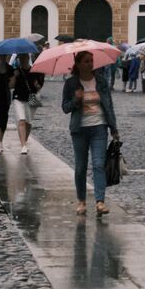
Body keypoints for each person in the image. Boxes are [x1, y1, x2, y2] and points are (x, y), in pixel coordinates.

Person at [60, 50, 119, 216]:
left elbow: (108, 105)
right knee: (80, 167)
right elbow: (65, 108)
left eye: (91, 61)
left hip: (99, 127)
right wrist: (76, 100)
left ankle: (100, 201)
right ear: (78, 64)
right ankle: (81, 201)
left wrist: (113, 128)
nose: (89, 64)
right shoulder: (71, 84)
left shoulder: (100, 81)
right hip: (79, 129)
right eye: (86, 61)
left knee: (99, 164)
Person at [12, 52, 43, 154]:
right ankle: (23, 145)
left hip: (31, 98)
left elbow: (39, 87)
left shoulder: (35, 70)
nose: (22, 59)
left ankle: (24, 141)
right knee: (21, 120)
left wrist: (37, 85)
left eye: (24, 57)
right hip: (18, 98)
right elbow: (11, 86)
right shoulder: (16, 71)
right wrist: (14, 77)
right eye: (20, 57)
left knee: (28, 123)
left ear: (28, 57)